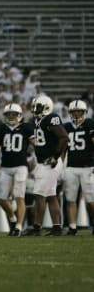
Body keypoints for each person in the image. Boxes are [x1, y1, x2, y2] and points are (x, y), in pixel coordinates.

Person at [0, 103, 35, 236]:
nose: (11, 116)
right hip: (5, 167)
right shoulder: (0, 129)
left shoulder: (26, 128)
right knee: (1, 198)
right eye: (8, 114)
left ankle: (18, 227)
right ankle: (13, 220)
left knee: (20, 197)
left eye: (14, 114)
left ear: (19, 115)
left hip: (21, 166)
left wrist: (41, 157)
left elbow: (35, 144)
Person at [28, 95, 68, 236]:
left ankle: (37, 227)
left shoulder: (51, 118)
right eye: (34, 106)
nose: (34, 109)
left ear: (46, 107)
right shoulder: (39, 120)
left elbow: (64, 138)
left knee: (39, 195)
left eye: (38, 106)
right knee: (51, 196)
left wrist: (55, 156)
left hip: (50, 163)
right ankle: (56, 227)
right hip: (44, 162)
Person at [62, 100, 94, 235]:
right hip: (71, 167)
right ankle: (72, 227)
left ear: (84, 112)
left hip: (88, 167)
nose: (76, 113)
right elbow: (63, 148)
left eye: (79, 111)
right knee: (70, 198)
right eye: (74, 111)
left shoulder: (89, 124)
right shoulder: (66, 127)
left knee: (91, 200)